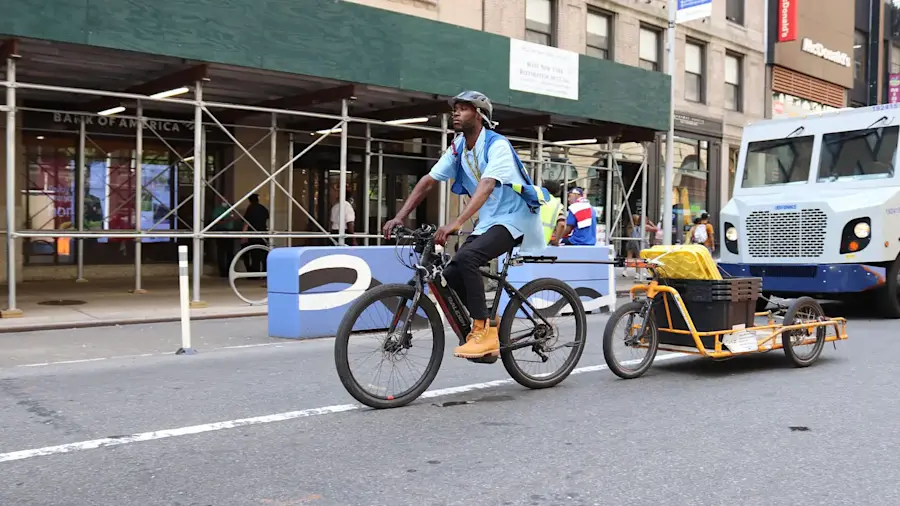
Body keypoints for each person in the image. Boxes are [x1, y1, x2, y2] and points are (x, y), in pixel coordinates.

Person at [382, 90, 544, 360]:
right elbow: (428, 180)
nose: (455, 112)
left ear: (479, 115)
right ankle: (492, 325)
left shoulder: (497, 145)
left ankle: (482, 331)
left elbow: (486, 185)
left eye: (464, 108)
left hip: (515, 218)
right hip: (489, 221)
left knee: (467, 257)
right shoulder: (458, 146)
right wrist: (400, 215)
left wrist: (456, 223)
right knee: (453, 272)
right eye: (454, 108)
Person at [241, 193, 269, 272]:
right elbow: (267, 216)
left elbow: (246, 221)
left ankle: (255, 272)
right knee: (264, 253)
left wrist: (243, 234)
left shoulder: (250, 209)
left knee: (254, 253)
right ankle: (264, 271)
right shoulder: (262, 208)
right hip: (263, 232)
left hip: (253, 233)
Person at [540, 180, 566, 246]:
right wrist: (556, 241)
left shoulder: (534, 200)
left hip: (528, 243)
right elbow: (562, 224)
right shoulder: (557, 205)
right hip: (545, 243)